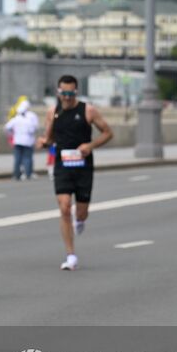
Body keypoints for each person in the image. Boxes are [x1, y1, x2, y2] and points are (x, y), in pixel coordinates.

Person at [38, 75, 113, 270]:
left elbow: (108, 132)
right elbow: (49, 138)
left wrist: (91, 145)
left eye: (71, 93)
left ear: (76, 92)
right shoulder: (52, 112)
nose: (67, 97)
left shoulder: (88, 110)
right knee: (64, 207)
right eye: (64, 93)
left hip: (83, 167)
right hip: (63, 165)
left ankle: (79, 220)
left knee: (81, 212)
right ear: (58, 92)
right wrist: (44, 143)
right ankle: (70, 255)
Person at [4, 101, 40, 181]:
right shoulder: (29, 119)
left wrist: (12, 134)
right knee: (27, 158)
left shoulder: (16, 119)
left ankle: (16, 174)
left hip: (17, 141)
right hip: (27, 141)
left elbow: (7, 127)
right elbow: (33, 129)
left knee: (17, 158)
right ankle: (28, 173)